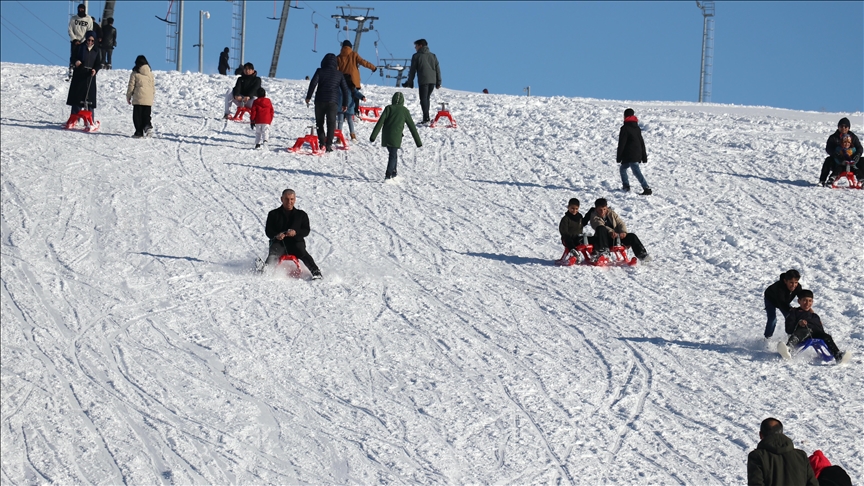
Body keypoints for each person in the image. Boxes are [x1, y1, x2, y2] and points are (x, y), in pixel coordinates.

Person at [264, 189, 323, 280]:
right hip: (279, 243)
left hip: (296, 243)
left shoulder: (301, 215)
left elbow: (306, 231)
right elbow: (268, 231)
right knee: (274, 253)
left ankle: (316, 272)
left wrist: (296, 233)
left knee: (302, 252)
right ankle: (265, 271)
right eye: (287, 199)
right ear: (281, 199)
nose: (289, 202)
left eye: (292, 199)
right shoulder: (273, 214)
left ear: (295, 199)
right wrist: (277, 235)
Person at [747, 418, 818, 486]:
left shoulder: (757, 457)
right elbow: (812, 483)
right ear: (782, 433)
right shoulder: (801, 455)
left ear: (760, 435)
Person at [781, 290, 846, 362]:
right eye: (804, 300)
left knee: (827, 337)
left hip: (815, 334)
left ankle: (838, 355)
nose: (807, 303)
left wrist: (823, 335)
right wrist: (799, 323)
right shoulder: (794, 312)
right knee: (804, 331)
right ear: (799, 301)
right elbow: (789, 329)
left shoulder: (815, 316)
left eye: (810, 301)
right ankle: (788, 348)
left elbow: (821, 331)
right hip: (801, 335)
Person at [370, 92, 422, 180]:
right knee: (393, 155)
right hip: (396, 137)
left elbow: (380, 122)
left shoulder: (388, 108)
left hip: (386, 137)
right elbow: (412, 127)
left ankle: (394, 172)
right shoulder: (404, 111)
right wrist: (418, 142)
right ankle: (388, 174)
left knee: (393, 154)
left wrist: (373, 136)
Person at [305, 53, 349, 153]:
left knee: (319, 123)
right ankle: (329, 144)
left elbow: (313, 83)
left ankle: (322, 143)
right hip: (333, 102)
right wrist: (345, 104)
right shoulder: (339, 74)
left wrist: (308, 97)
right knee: (331, 123)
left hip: (320, 100)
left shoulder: (320, 71)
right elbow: (345, 90)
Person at [583, 198, 650, 262]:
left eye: (604, 209)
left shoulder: (611, 213)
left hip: (616, 238)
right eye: (600, 210)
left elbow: (620, 222)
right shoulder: (594, 216)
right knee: (601, 228)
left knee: (632, 236)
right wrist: (611, 232)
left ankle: (642, 255)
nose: (602, 212)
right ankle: (604, 251)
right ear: (596, 209)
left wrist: (623, 232)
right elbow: (599, 225)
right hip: (603, 240)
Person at [402, 39, 441, 124]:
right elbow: (437, 69)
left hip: (423, 80)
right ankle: (426, 117)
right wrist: (438, 82)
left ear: (420, 45)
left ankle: (426, 118)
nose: (415, 48)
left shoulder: (416, 56)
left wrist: (410, 82)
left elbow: (412, 70)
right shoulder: (433, 56)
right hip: (432, 81)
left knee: (423, 99)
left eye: (416, 46)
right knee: (427, 98)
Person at [66, 31, 101, 118]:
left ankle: (90, 120)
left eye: (92, 41)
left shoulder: (97, 50)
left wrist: (95, 70)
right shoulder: (79, 47)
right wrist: (76, 62)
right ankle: (74, 118)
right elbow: (73, 58)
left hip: (90, 76)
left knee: (90, 99)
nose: (90, 42)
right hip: (79, 74)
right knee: (77, 98)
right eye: (88, 40)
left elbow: (99, 63)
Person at [819, 117, 863, 186]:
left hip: (852, 162)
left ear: (848, 128)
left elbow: (859, 148)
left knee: (863, 160)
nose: (843, 128)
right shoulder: (833, 137)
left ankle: (862, 181)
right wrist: (836, 155)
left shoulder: (853, 137)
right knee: (828, 160)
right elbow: (829, 148)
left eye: (846, 126)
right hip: (837, 162)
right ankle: (822, 180)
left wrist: (857, 155)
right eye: (841, 126)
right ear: (838, 127)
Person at [617, 108, 652, 195]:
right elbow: (641, 142)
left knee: (636, 171)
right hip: (636, 153)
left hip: (630, 154)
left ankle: (646, 187)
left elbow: (622, 143)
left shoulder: (625, 128)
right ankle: (626, 186)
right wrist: (644, 156)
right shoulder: (637, 128)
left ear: (625, 116)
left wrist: (619, 157)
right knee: (623, 169)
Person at [762, 270, 802, 339]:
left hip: (784, 301)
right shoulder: (779, 288)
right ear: (785, 281)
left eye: (796, 282)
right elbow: (781, 303)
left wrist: (808, 310)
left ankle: (792, 337)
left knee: (791, 317)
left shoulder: (797, 287)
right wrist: (791, 309)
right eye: (791, 283)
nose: (793, 285)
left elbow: (803, 298)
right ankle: (767, 338)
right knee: (772, 319)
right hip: (770, 299)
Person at [126, 55, 155, 138]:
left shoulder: (135, 73)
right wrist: (152, 97)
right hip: (148, 99)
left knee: (137, 116)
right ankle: (147, 126)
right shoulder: (150, 74)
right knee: (146, 115)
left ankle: (139, 132)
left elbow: (131, 85)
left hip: (138, 98)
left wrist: (128, 96)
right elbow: (153, 87)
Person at [67, 4, 93, 76]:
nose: (80, 11)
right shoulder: (73, 18)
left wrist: (84, 40)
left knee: (83, 56)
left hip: (84, 41)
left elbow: (89, 31)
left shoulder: (89, 19)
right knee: (73, 55)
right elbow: (70, 30)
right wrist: (74, 39)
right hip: (75, 40)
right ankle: (72, 69)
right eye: (79, 9)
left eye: (82, 9)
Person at [337, 74, 364, 141]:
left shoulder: (339, 86)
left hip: (341, 106)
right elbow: (357, 93)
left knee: (340, 121)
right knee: (349, 121)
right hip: (349, 106)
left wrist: (362, 97)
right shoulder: (351, 87)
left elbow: (356, 93)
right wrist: (362, 97)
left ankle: (339, 137)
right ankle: (352, 136)